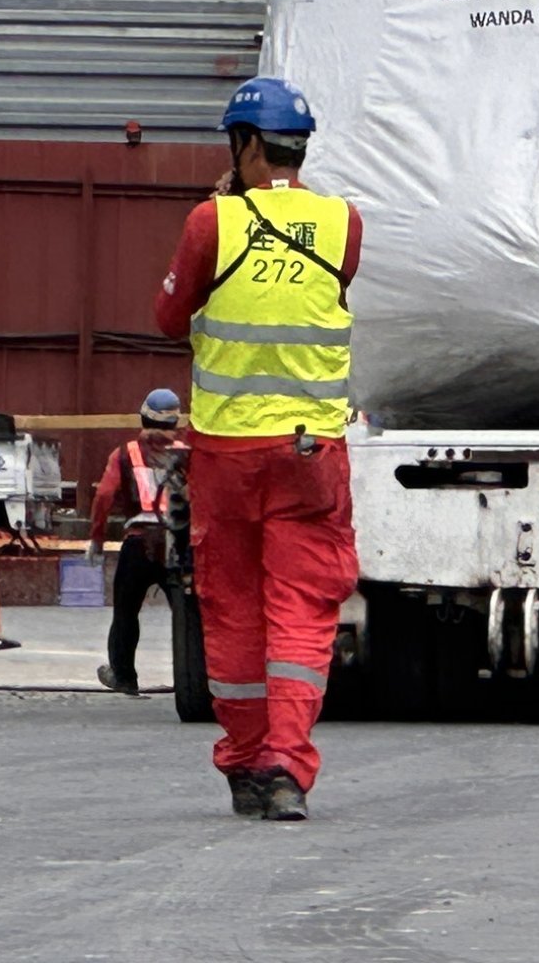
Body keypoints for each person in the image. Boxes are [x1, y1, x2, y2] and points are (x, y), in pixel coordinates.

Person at [154, 77, 361, 823]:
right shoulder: (345, 224)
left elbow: (170, 315)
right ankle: (285, 768)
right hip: (311, 454)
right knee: (302, 611)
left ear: (243, 146)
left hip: (228, 454)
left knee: (233, 607)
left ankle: (244, 763)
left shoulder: (212, 223)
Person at [86, 387, 186, 698]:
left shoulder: (125, 453)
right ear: (176, 421)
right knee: (187, 616)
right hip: (177, 544)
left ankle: (124, 676)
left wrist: (97, 538)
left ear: (142, 415)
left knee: (126, 612)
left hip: (138, 542)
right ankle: (197, 676)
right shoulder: (188, 453)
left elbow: (104, 495)